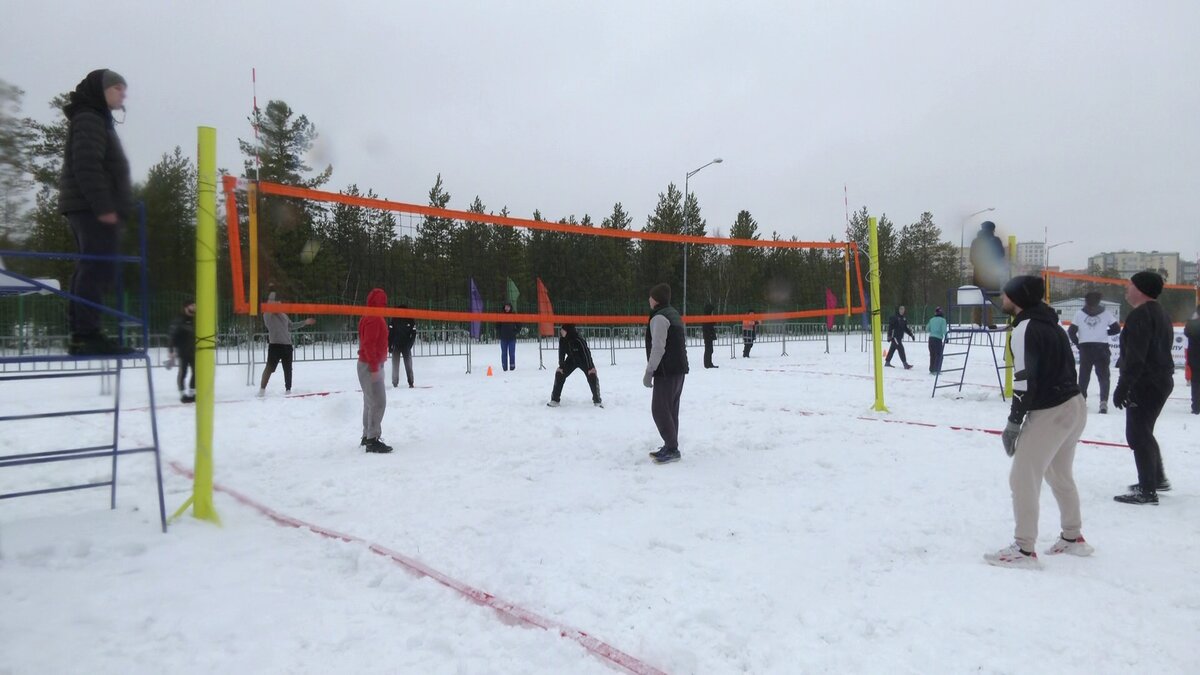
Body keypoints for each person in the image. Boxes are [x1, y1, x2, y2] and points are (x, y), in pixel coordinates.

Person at [984, 275, 1092, 569]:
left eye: (1006, 295)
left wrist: (1014, 423)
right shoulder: (1051, 324)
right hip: (1074, 405)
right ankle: (1072, 538)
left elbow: (1023, 381)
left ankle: (1023, 549)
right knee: (1059, 474)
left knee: (1022, 477)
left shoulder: (1024, 329)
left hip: (1052, 410)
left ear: (1017, 299)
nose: (1002, 299)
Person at [59, 69, 134, 356]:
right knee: (95, 267)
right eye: (117, 88)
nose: (123, 94)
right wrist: (104, 208)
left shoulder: (96, 119)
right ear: (100, 90)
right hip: (90, 208)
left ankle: (84, 333)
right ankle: (86, 334)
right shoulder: (90, 118)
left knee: (92, 267)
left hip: (86, 206)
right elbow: (87, 164)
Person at [1113, 271, 1175, 504]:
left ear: (1140, 289)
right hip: (1159, 380)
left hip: (1146, 382)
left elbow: (1136, 357)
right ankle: (1156, 478)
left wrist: (1123, 386)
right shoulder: (1159, 312)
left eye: (1129, 285)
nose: (1126, 290)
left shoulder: (1140, 315)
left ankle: (1148, 490)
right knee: (1144, 431)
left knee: (1138, 433)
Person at [644, 283, 688, 464]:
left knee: (660, 410)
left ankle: (672, 448)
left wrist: (649, 371)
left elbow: (658, 348)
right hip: (678, 369)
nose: (648, 299)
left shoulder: (660, 317)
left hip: (666, 371)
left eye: (650, 296)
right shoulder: (673, 313)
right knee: (671, 409)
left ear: (656, 299)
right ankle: (670, 445)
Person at [1068, 291, 1121, 414]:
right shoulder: (1106, 314)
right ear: (1099, 301)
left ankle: (1082, 401)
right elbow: (1116, 328)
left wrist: (1078, 343)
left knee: (1084, 376)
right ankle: (1103, 402)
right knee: (1103, 376)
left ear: (1085, 301)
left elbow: (1071, 331)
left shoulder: (1079, 314)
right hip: (1101, 347)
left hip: (1086, 347)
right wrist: (1104, 333)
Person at [257, 291, 316, 397]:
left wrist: (305, 322)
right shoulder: (267, 314)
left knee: (288, 369)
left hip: (287, 346)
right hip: (275, 345)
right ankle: (262, 390)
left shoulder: (283, 314)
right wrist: (272, 297)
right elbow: (270, 306)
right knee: (269, 368)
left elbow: (291, 326)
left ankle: (288, 390)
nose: (280, 303)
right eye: (277, 301)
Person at [358, 288, 391, 453]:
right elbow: (369, 345)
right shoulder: (374, 318)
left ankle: (367, 436)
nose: (385, 305)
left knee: (370, 402)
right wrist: (374, 368)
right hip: (370, 365)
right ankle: (372, 439)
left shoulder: (369, 315)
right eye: (383, 302)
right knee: (378, 402)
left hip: (370, 364)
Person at [547, 323, 602, 407]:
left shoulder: (578, 339)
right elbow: (561, 353)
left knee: (592, 375)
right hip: (571, 359)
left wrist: (590, 367)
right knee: (559, 374)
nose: (561, 331)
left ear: (568, 331)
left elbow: (587, 353)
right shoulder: (563, 340)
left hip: (584, 360)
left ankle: (597, 400)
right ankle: (555, 400)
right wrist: (561, 366)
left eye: (563, 330)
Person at [969, 221, 1008, 326]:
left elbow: (972, 258)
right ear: (992, 230)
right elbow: (1001, 254)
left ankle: (976, 322)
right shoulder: (995, 241)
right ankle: (989, 323)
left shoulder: (976, 241)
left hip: (978, 275)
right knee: (988, 299)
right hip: (991, 275)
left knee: (978, 298)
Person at [166, 299, 196, 403]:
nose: (194, 308)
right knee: (183, 372)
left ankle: (192, 393)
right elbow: (172, 336)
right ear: (186, 307)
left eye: (194, 306)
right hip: (182, 351)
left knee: (196, 372)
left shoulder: (195, 320)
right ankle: (183, 394)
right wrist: (171, 351)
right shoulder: (179, 320)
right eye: (192, 306)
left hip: (193, 350)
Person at [389, 304, 417, 388]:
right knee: (395, 364)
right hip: (396, 345)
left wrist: (409, 345)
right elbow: (390, 333)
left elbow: (414, 333)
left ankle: (411, 382)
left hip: (406, 345)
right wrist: (390, 345)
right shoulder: (394, 319)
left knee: (408, 364)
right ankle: (395, 382)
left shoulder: (410, 319)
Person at [1185, 305, 1200, 415]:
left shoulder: (1192, 324)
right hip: (1195, 358)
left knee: (1195, 383)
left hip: (1195, 358)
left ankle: (1196, 406)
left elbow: (1187, 331)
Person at [497, 302, 519, 371]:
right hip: (503, 338)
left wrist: (515, 332)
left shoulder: (513, 315)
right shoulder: (501, 315)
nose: (507, 308)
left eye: (508, 307)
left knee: (512, 353)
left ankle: (512, 367)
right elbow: (497, 326)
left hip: (512, 338)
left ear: (510, 308)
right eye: (506, 307)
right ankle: (504, 367)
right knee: (504, 353)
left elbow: (519, 325)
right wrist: (500, 333)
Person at [926, 306, 947, 374]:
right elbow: (944, 330)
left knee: (932, 354)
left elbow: (927, 329)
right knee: (939, 354)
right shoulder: (943, 320)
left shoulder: (931, 319)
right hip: (938, 339)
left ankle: (931, 369)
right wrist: (947, 337)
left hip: (931, 338)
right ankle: (936, 369)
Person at [702, 302, 719, 369]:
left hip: (708, 335)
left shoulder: (707, 317)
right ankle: (707, 364)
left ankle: (709, 363)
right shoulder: (707, 317)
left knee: (709, 350)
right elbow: (709, 325)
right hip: (708, 335)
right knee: (708, 350)